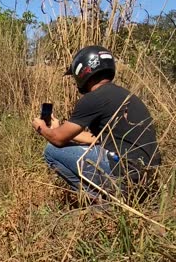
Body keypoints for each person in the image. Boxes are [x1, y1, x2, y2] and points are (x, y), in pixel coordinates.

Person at [32, 45, 161, 199]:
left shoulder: (93, 98)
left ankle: (99, 202)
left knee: (51, 151)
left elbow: (57, 140)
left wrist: (41, 128)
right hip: (145, 176)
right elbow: (100, 139)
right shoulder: (126, 95)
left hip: (123, 173)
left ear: (83, 71)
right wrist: (60, 129)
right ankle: (121, 198)